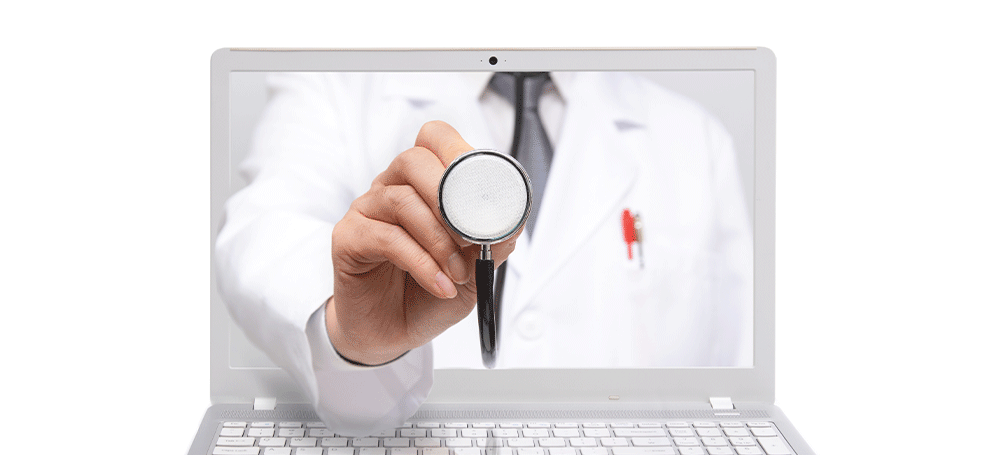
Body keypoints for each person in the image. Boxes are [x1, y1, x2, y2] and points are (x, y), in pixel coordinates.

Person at [215, 71, 752, 436]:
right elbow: (263, 232)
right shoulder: (336, 88)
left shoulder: (694, 137)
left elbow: (738, 373)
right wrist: (353, 333)